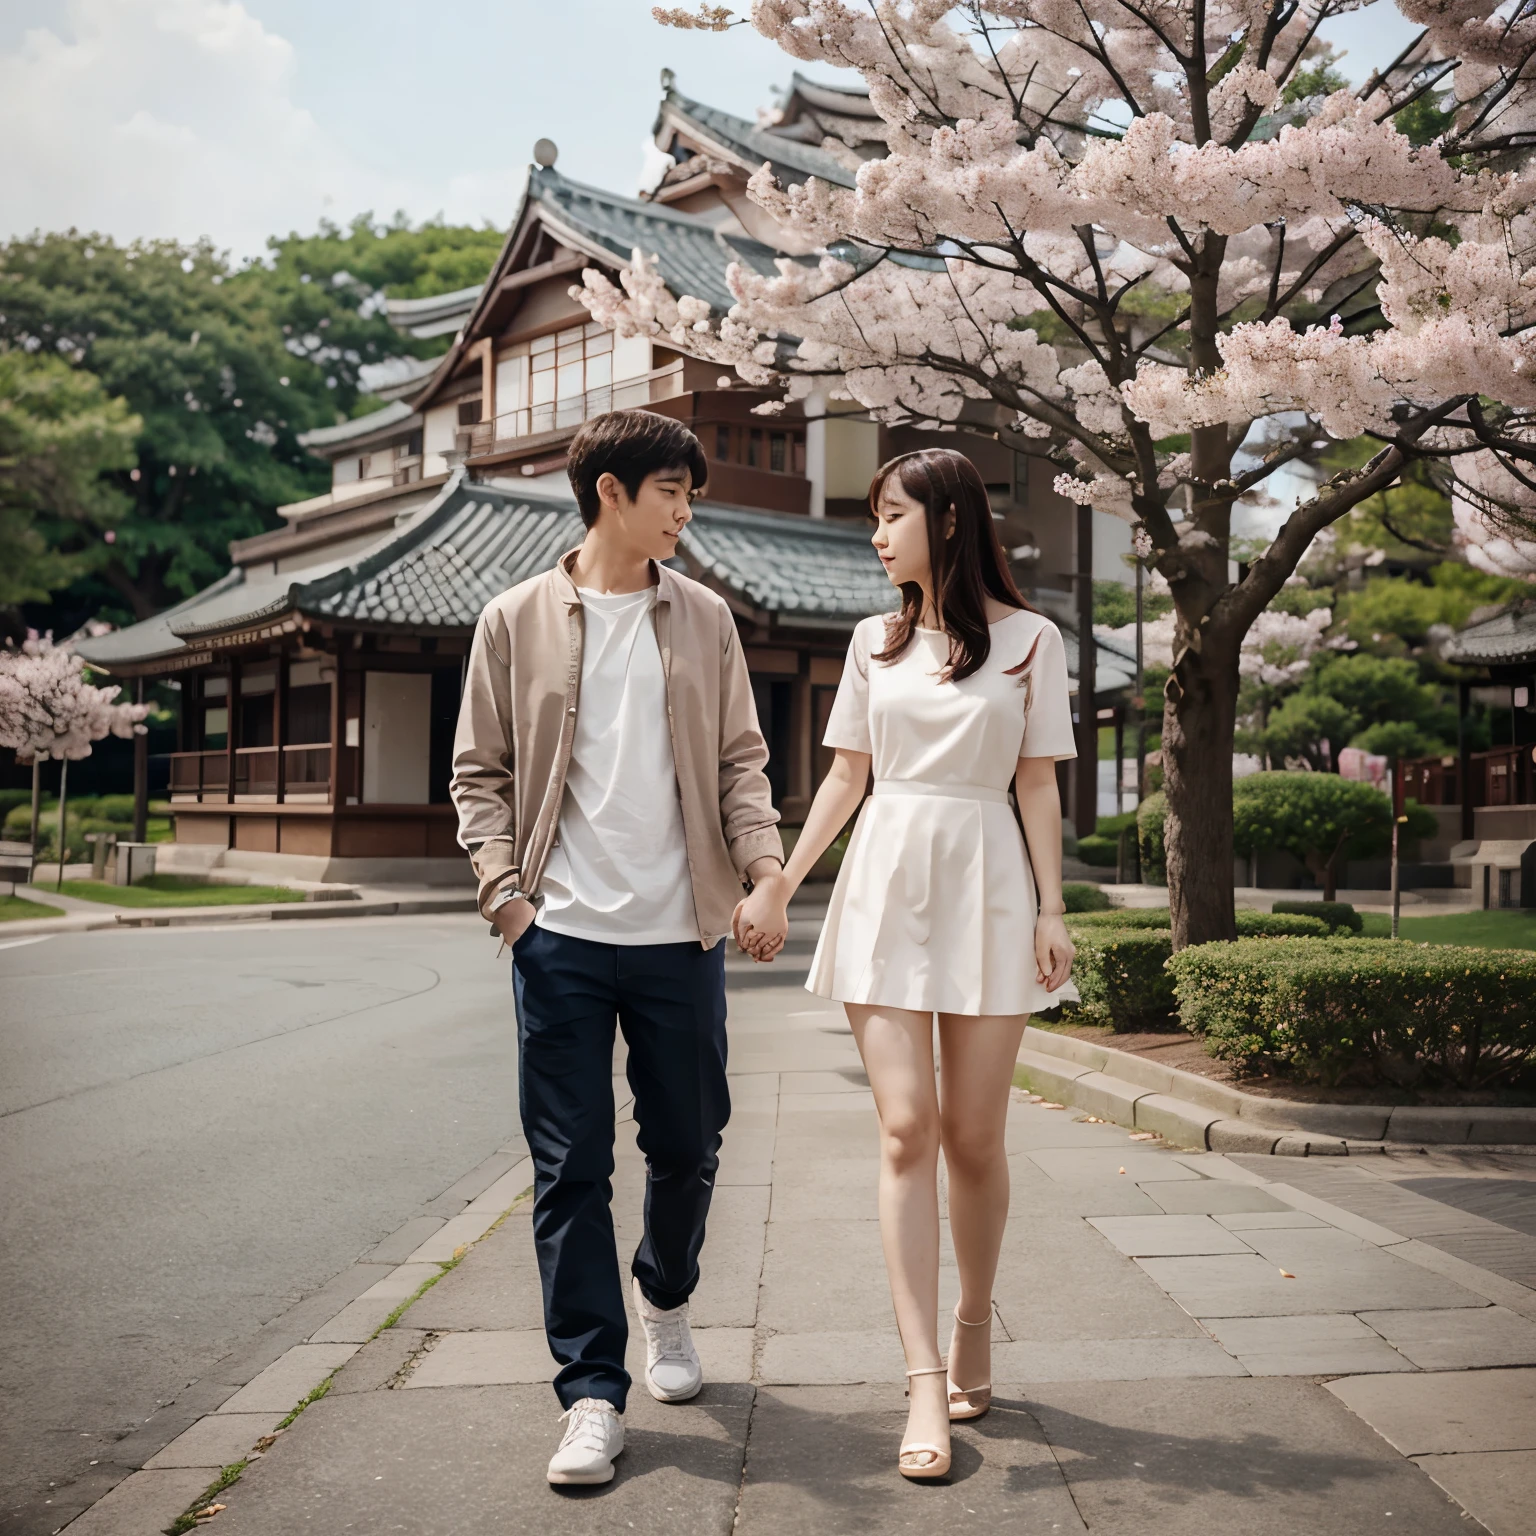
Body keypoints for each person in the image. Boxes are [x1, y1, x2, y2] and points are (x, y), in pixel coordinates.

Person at [451, 409, 787, 1487]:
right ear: (611, 493)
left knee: (688, 1143)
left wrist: (765, 868)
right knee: (570, 1167)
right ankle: (592, 1391)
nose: (688, 512)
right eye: (673, 495)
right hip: (560, 939)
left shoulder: (706, 620)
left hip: (679, 935)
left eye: (690, 495)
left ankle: (667, 1296)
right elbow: (479, 775)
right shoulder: (513, 619)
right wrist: (508, 901)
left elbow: (742, 759)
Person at [734, 447, 1077, 1481]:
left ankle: (976, 1315)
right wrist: (783, 884)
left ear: (949, 522)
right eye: (874, 518)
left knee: (974, 1137)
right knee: (905, 1130)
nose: (875, 535)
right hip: (885, 884)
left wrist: (1054, 908)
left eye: (890, 516)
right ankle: (923, 1376)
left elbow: (1037, 787)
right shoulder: (872, 641)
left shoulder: (1032, 641)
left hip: (986, 884)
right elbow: (846, 778)